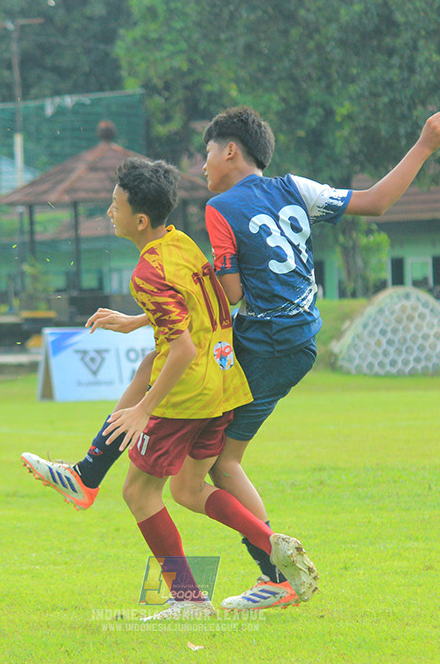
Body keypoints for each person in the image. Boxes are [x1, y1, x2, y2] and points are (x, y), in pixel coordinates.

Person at [23, 107, 440, 610]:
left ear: (230, 149)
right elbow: (377, 201)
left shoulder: (222, 207)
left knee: (196, 472)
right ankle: (90, 478)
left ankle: (265, 574)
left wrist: (162, 326)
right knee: (186, 458)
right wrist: (423, 144)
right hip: (298, 342)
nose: (203, 164)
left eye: (207, 151)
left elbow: (226, 293)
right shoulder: (294, 188)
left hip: (259, 341)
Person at [33, 158, 320, 620]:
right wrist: (134, 321)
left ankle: (187, 598)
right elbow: (196, 305)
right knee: (188, 489)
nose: (109, 211)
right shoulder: (180, 243)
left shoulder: (146, 273)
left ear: (139, 220)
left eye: (115, 204)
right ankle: (272, 544)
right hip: (222, 384)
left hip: (185, 394)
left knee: (139, 493)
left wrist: (146, 408)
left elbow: (181, 348)